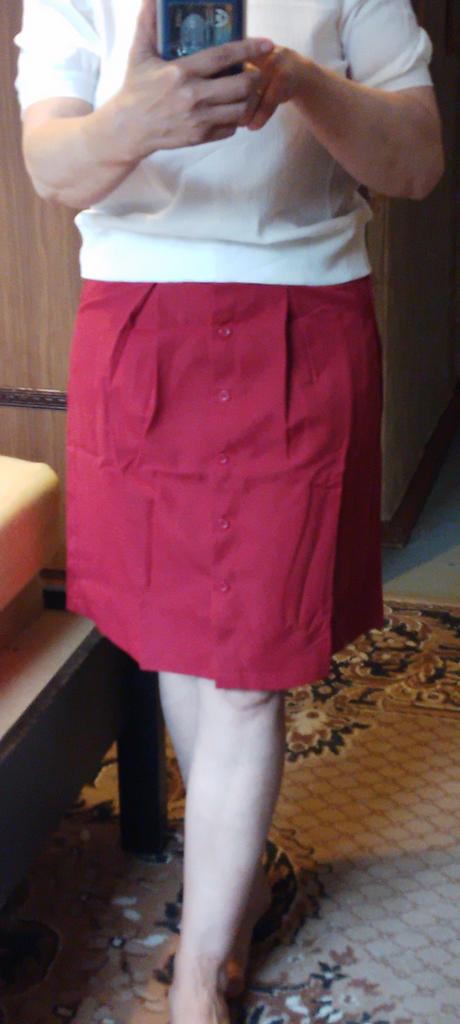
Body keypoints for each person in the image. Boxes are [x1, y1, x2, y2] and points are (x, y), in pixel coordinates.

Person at [14, 1, 443, 1021]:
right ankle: (231, 880)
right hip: (137, 318)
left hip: (302, 311)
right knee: (177, 639)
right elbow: (51, 166)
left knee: (249, 669)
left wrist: (301, 83)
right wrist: (135, 120)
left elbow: (418, 160)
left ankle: (202, 974)